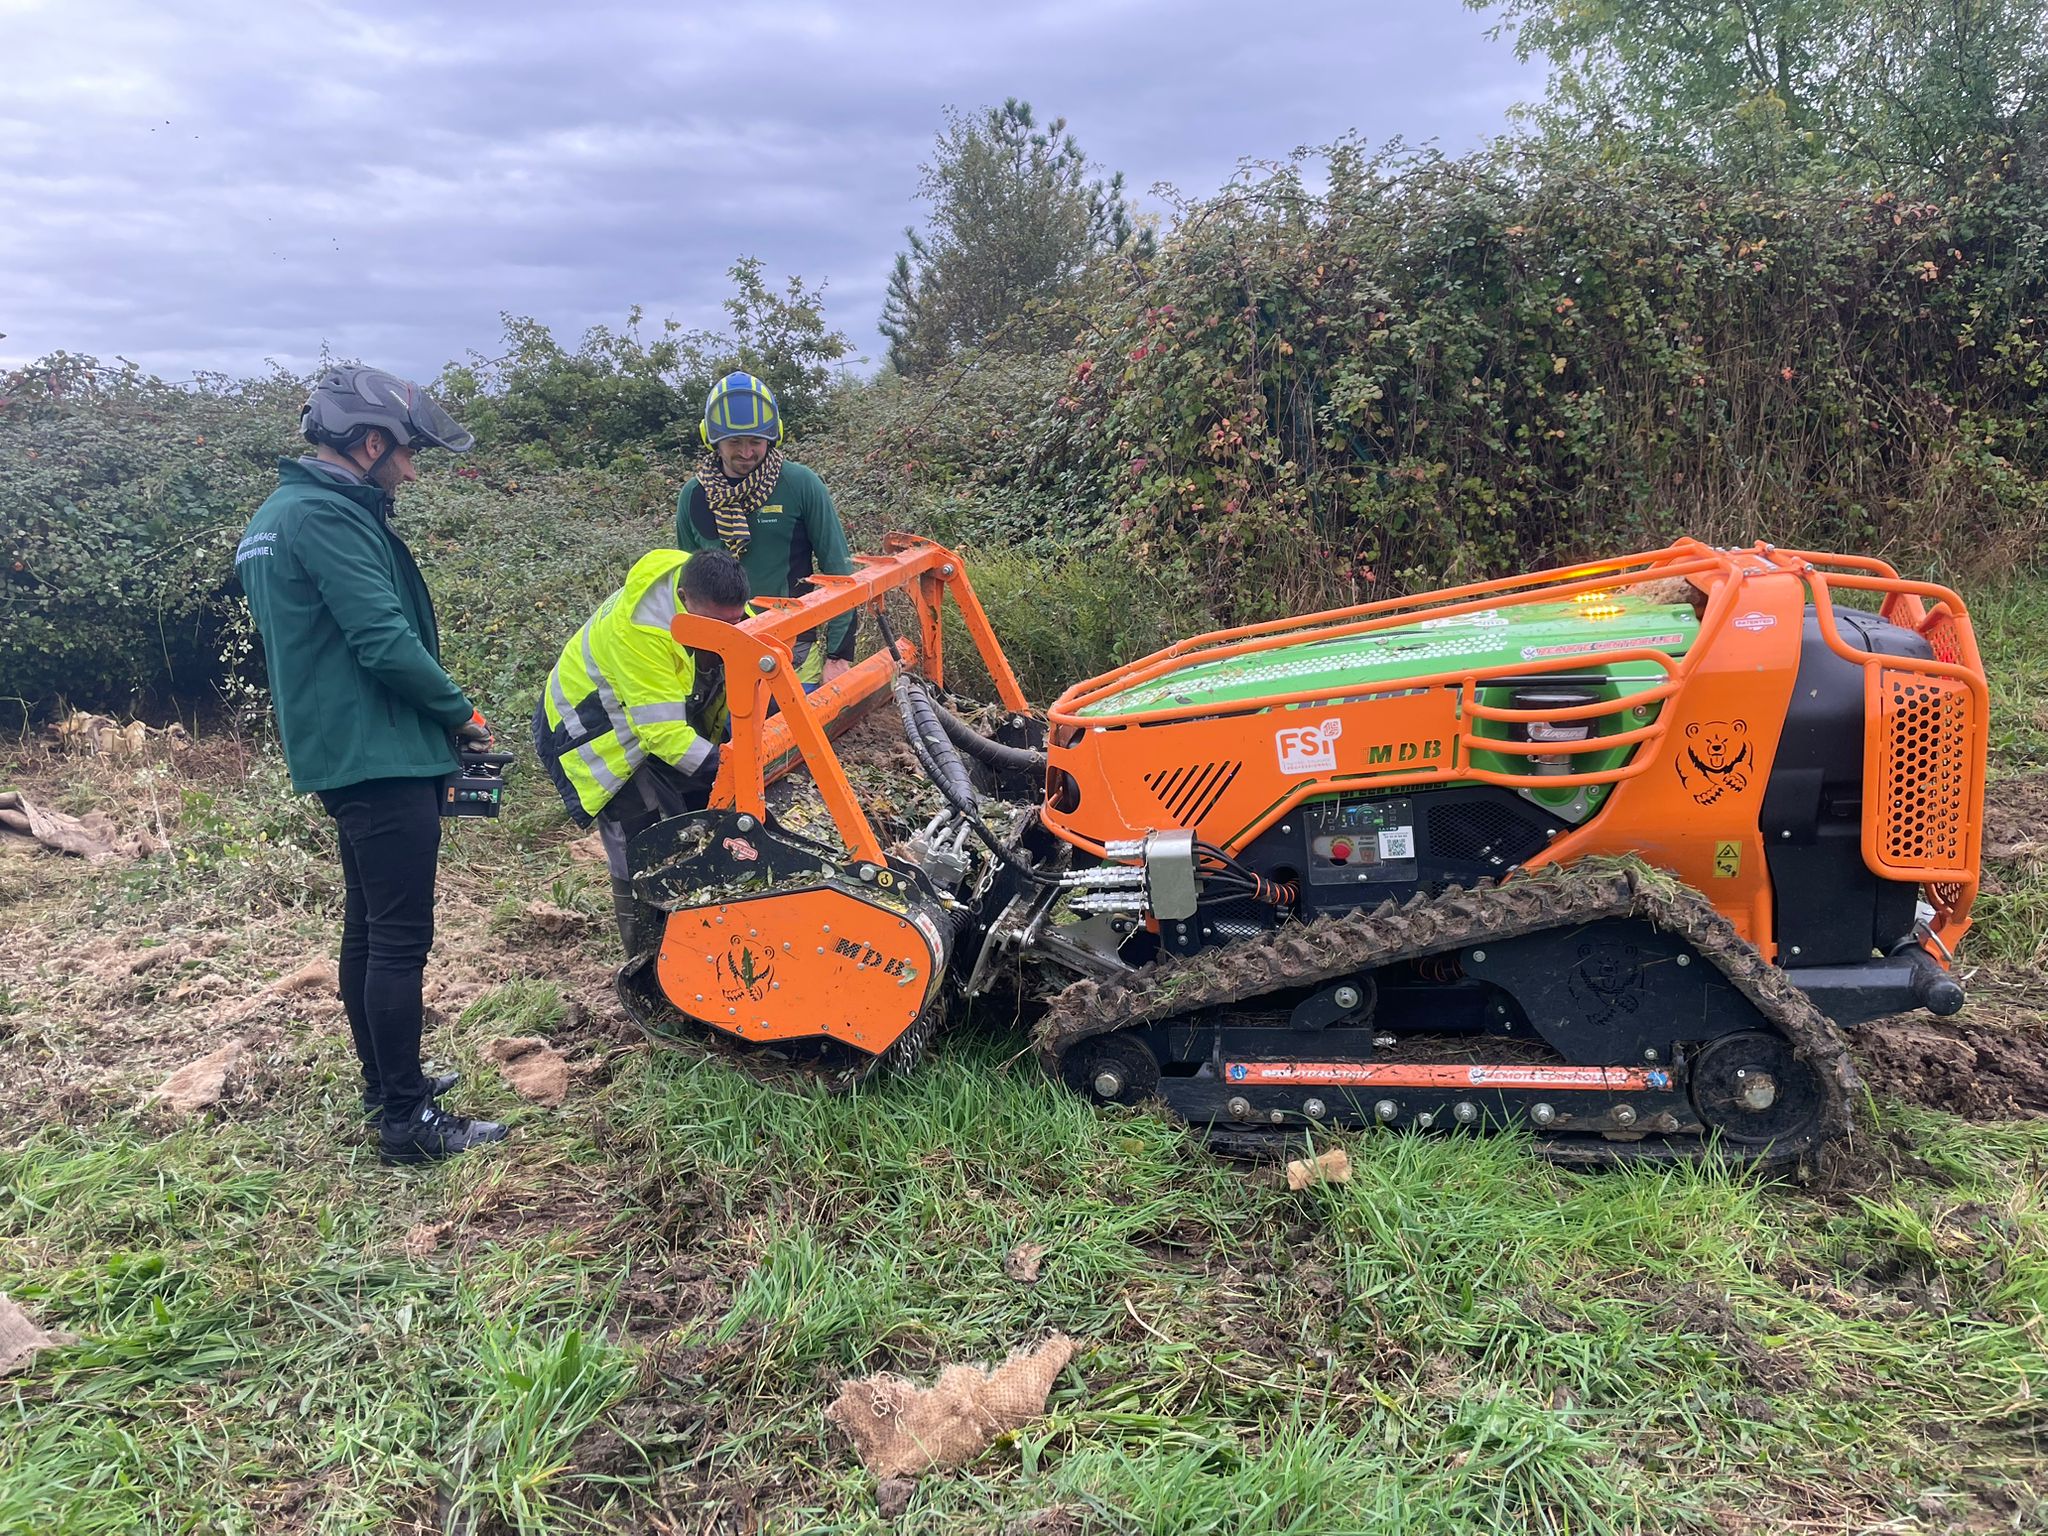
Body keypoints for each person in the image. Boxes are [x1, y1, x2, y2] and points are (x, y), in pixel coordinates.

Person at [235, 365, 509, 1166]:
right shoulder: (324, 515)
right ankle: (407, 1122)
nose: (413, 471)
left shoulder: (279, 514)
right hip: (376, 753)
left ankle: (387, 1080)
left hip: (342, 751)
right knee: (399, 941)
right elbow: (382, 640)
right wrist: (462, 713)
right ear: (371, 442)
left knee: (367, 929)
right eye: (408, 454)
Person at [531, 547, 752, 955]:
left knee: (694, 814)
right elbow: (665, 737)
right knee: (642, 839)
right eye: (719, 625)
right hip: (595, 735)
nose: (729, 631)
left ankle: (700, 930)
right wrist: (738, 768)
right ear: (685, 600)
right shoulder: (641, 635)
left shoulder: (708, 586)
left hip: (646, 719)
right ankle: (646, 959)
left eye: (735, 621)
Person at [674, 372, 857, 689]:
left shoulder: (800, 484)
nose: (746, 453)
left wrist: (839, 655)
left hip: (793, 649)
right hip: (720, 656)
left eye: (755, 442)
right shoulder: (694, 496)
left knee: (793, 737)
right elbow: (685, 581)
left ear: (772, 438)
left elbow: (838, 568)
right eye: (735, 443)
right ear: (713, 440)